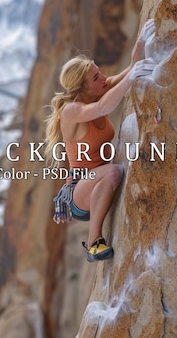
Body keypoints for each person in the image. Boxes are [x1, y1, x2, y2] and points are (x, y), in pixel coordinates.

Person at [45, 19, 157, 262]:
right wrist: (130, 77)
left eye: (99, 73)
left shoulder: (98, 90)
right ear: (82, 88)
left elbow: (129, 71)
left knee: (109, 172)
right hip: (81, 192)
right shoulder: (72, 110)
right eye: (96, 78)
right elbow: (105, 105)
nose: (103, 78)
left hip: (94, 179)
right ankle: (94, 242)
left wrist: (141, 42)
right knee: (114, 172)